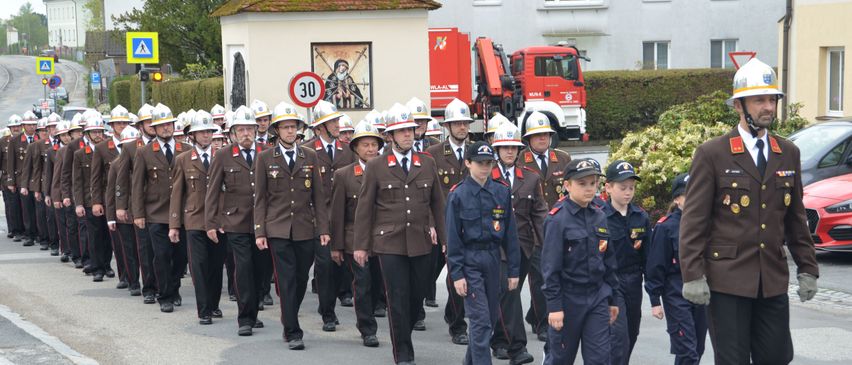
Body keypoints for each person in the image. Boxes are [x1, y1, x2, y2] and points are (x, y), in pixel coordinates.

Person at [679, 57, 819, 365]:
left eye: (772, 99)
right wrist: (692, 275)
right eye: (759, 100)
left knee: (778, 356)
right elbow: (694, 221)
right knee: (733, 360)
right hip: (727, 279)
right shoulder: (713, 153)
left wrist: (807, 267)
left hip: (771, 278)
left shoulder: (788, 153)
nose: (768, 107)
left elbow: (796, 217)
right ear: (739, 106)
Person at [354, 102, 446, 365]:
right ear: (389, 136)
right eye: (401, 130)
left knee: (417, 297)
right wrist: (361, 246)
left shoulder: (426, 163)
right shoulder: (376, 166)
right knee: (397, 297)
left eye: (410, 129)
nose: (408, 134)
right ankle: (403, 353)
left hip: (420, 240)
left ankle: (405, 333)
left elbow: (438, 204)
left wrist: (446, 240)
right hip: (389, 242)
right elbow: (364, 209)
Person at [446, 140, 520, 365]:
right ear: (468, 163)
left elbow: (510, 234)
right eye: (480, 163)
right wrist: (457, 274)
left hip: (493, 258)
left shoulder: (501, 191)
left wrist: (514, 270)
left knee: (490, 317)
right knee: (480, 321)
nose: (485, 168)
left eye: (489, 163)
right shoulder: (458, 195)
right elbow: (453, 238)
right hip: (470, 259)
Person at [542, 158, 620, 365]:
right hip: (568, 298)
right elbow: (550, 269)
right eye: (582, 183)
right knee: (560, 359)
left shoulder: (600, 216)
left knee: (600, 359)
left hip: (597, 297)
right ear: (567, 185)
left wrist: (613, 299)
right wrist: (554, 306)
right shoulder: (557, 220)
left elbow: (609, 262)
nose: (589, 189)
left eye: (593, 183)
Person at [204, 105, 268, 336]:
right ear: (233, 133)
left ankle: (254, 313)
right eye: (241, 129)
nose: (246, 134)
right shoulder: (222, 155)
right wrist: (211, 222)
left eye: (250, 129)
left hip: (262, 223)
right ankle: (244, 317)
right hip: (236, 222)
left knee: (261, 270)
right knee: (243, 268)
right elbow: (212, 191)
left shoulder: (266, 152)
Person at [489, 122, 541, 365]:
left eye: (513, 147)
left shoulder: (530, 178)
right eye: (504, 147)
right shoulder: (487, 176)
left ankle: (499, 339)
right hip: (494, 247)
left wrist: (548, 243)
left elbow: (539, 214)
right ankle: (516, 347)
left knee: (509, 294)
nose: (509, 151)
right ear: (496, 149)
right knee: (508, 294)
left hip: (522, 246)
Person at [330, 120, 385, 348]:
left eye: (374, 144)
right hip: (354, 239)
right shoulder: (344, 175)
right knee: (362, 284)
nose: (371, 149)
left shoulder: (387, 170)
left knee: (379, 283)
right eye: (366, 145)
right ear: (355, 148)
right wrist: (336, 245)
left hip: (383, 238)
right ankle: (367, 328)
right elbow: (337, 212)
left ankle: (375, 310)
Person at [132, 103, 191, 313]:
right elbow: (138, 185)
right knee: (162, 255)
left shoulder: (186, 149)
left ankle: (174, 288)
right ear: (154, 129)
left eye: (169, 124)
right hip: (156, 212)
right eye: (161, 125)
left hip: (183, 214)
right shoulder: (144, 152)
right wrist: (138, 214)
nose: (166, 128)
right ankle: (165, 295)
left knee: (181, 257)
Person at [518, 111, 571, 341]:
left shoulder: (564, 158)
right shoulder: (520, 160)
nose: (542, 139)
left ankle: (534, 315)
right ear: (528, 139)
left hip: (560, 228)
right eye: (537, 135)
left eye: (546, 135)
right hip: (532, 229)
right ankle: (541, 323)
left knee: (558, 275)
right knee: (540, 278)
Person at [425, 98, 474, 342]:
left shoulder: (476, 152)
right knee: (425, 275)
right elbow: (426, 193)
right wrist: (431, 223)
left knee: (458, 273)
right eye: (457, 123)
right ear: (448, 126)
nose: (462, 127)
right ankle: (415, 311)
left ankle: (457, 326)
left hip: (467, 225)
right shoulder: (433, 154)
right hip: (441, 223)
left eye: (465, 123)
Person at [303, 99, 355, 330]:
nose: (337, 124)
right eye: (331, 121)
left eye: (336, 120)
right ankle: (328, 313)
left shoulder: (347, 150)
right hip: (318, 218)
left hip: (343, 218)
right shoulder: (307, 150)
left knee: (340, 265)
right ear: (319, 128)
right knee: (324, 266)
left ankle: (336, 298)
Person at [645, 172, 707, 365]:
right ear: (677, 199)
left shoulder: (705, 224)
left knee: (697, 348)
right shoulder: (666, 228)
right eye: (688, 195)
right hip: (676, 294)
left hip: (702, 294)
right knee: (687, 350)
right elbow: (655, 267)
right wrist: (655, 300)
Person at [169, 110, 224, 325]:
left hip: (219, 220)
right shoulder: (183, 160)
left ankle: (214, 303)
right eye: (201, 133)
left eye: (209, 132)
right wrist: (174, 224)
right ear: (192, 135)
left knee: (216, 265)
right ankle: (204, 310)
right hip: (193, 220)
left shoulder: (222, 155)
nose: (206, 136)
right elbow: (177, 194)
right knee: (199, 266)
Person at [602, 160, 650, 365]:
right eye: (622, 188)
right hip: (611, 281)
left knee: (632, 332)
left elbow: (648, 255)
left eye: (631, 188)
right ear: (608, 187)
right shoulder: (600, 217)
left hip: (633, 280)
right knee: (618, 335)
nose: (628, 192)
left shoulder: (641, 217)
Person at [115, 103, 159, 304]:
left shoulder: (171, 145)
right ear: (141, 125)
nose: (151, 125)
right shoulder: (132, 147)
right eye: (148, 122)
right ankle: (149, 287)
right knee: (145, 249)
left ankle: (167, 285)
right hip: (140, 205)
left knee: (167, 250)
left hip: (164, 205)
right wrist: (121, 206)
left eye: (154, 121)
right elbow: (123, 178)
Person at [91, 105, 132, 289]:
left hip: (134, 198)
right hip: (113, 199)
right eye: (119, 123)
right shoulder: (102, 148)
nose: (122, 126)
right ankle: (124, 275)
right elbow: (96, 178)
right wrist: (97, 202)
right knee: (119, 242)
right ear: (112, 125)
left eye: (125, 123)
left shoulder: (135, 143)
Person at [73, 114, 113, 282]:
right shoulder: (81, 154)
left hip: (108, 199)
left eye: (100, 131)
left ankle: (107, 264)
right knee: (95, 235)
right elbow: (77, 181)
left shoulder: (109, 150)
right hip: (90, 200)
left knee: (108, 235)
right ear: (86, 134)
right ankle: (97, 268)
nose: (97, 135)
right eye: (93, 132)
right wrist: (79, 203)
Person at [106, 127, 143, 296]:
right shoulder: (116, 164)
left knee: (144, 250)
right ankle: (133, 281)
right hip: (125, 213)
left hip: (143, 211)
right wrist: (111, 217)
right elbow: (113, 191)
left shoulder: (145, 159)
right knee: (129, 250)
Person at [8, 110, 40, 247]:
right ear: (23, 126)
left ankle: (40, 233)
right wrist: (11, 181)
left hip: (38, 180)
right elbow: (10, 162)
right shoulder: (15, 140)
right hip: (23, 180)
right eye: (29, 124)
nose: (32, 127)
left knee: (39, 209)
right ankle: (29, 234)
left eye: (34, 124)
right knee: (27, 209)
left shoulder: (40, 139)